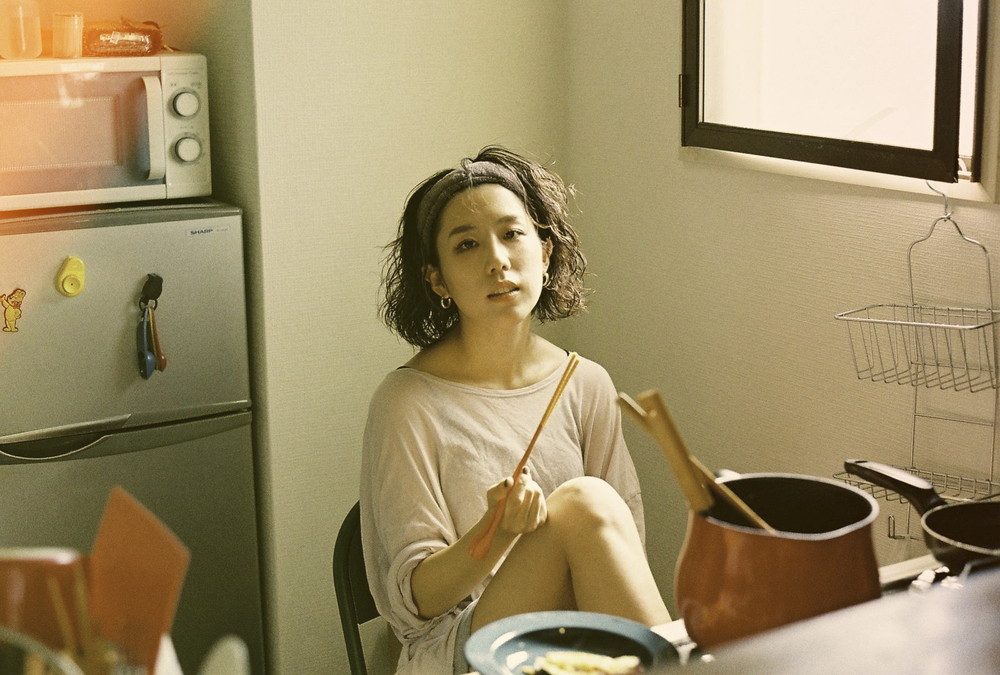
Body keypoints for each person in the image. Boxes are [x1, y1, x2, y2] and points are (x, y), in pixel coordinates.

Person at [360, 146, 671, 674]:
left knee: (590, 506)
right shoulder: (406, 404)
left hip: (573, 639)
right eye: (467, 245)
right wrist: (496, 531)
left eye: (512, 234)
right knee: (585, 501)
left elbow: (621, 552)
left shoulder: (585, 383)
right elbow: (418, 603)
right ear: (437, 280)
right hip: (461, 651)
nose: (497, 261)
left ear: (545, 253)